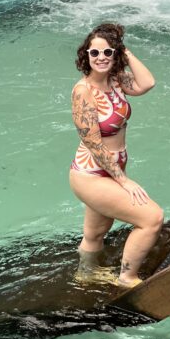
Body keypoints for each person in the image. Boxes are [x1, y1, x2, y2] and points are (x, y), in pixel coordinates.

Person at [69, 22, 163, 288]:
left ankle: (84, 276)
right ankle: (127, 278)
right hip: (90, 173)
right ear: (85, 55)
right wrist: (123, 180)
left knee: (95, 233)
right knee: (151, 219)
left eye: (108, 52)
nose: (101, 58)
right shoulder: (82, 91)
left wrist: (124, 51)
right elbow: (94, 143)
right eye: (95, 53)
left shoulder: (117, 80)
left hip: (112, 168)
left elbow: (147, 83)